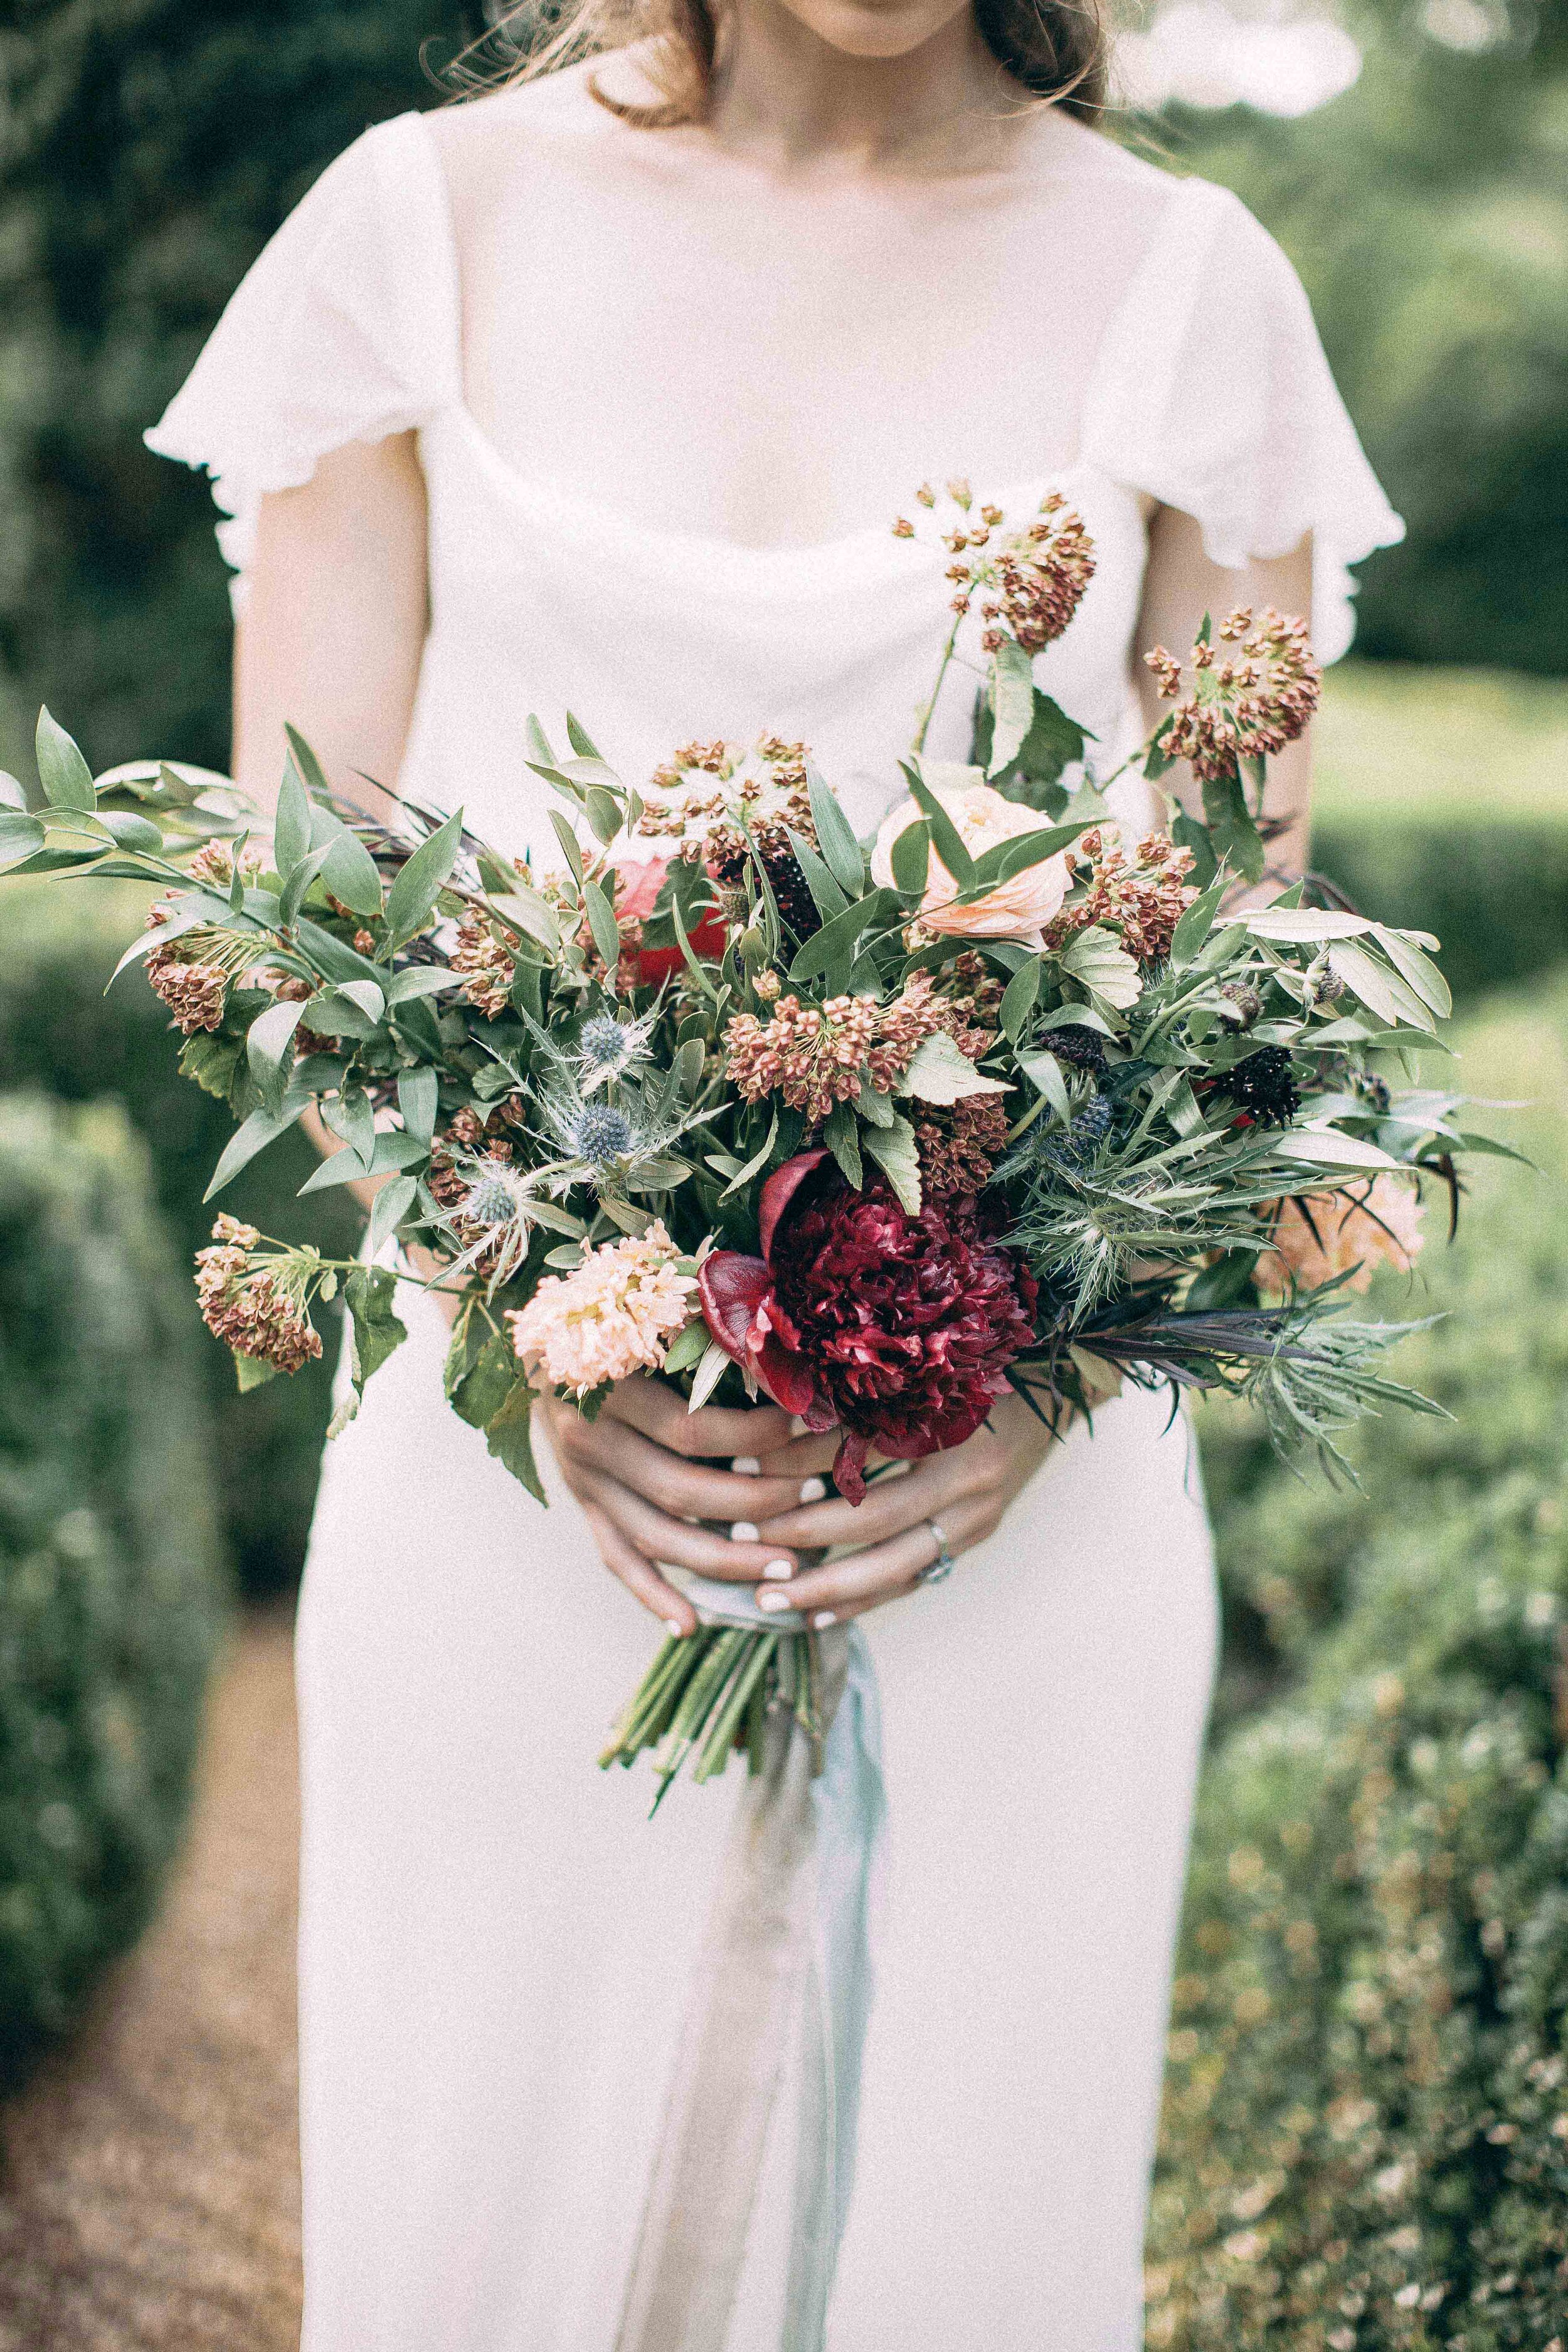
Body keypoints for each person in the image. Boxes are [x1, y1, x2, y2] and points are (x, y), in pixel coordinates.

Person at [147, 0, 1401, 2340]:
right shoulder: (411, 239)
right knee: (479, 2217)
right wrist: (547, 1327)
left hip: (1007, 1496)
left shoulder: (1188, 285)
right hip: (525, 1468)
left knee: (956, 2222)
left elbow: (1237, 968)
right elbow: (306, 914)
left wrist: (1026, 1389)